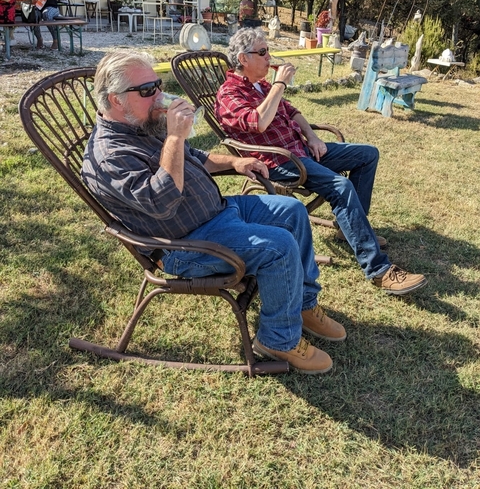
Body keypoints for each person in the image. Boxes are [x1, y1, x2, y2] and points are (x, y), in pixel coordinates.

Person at [82, 49, 347, 375]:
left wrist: (235, 162)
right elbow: (162, 202)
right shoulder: (109, 156)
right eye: (148, 90)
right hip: (186, 243)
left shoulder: (142, 123)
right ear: (116, 100)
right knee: (278, 246)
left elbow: (196, 156)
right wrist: (175, 137)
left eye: (158, 85)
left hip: (217, 212)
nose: (160, 95)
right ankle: (277, 338)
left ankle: (302, 305)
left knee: (292, 210)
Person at [214, 27, 427, 296]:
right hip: (279, 161)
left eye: (268, 50)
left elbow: (291, 111)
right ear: (243, 59)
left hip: (301, 149)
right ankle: (379, 271)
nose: (270, 57)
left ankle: (347, 228)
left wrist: (312, 136)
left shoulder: (261, 84)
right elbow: (258, 123)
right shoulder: (229, 94)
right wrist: (280, 84)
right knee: (340, 187)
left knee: (367, 154)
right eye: (263, 52)